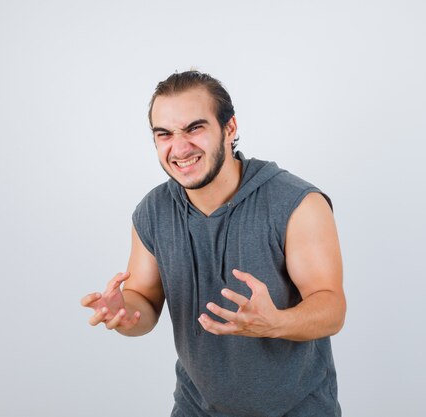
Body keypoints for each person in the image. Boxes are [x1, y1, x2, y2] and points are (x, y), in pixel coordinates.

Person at [81, 70, 346, 417]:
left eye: (195, 128)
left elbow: (331, 308)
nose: (179, 148)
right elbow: (144, 303)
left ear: (229, 128)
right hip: (196, 408)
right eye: (164, 134)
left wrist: (275, 323)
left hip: (296, 409)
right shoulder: (153, 210)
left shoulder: (296, 202)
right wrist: (123, 312)